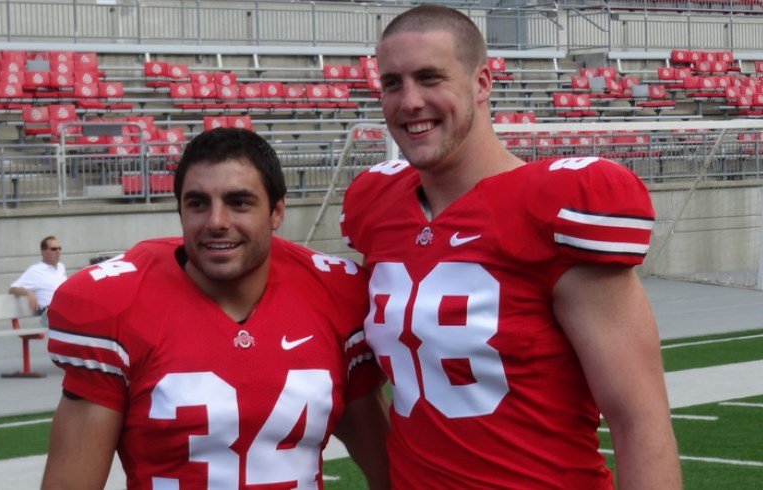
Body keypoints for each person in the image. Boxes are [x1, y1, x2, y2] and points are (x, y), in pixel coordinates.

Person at [340, 5, 681, 489]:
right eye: (392, 83)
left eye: (430, 77)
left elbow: (639, 418)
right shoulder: (376, 206)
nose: (409, 101)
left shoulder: (552, 209)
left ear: (482, 83)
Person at [42, 128, 390, 489]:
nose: (216, 222)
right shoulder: (118, 306)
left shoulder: (334, 296)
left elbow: (390, 472)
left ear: (276, 211)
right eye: (197, 203)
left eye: (239, 202)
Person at [8, 235, 67, 313]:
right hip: (50, 314)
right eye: (54, 249)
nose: (58, 252)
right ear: (43, 252)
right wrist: (28, 293)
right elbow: (12, 289)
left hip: (65, 310)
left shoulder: (61, 267)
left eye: (59, 249)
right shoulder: (36, 270)